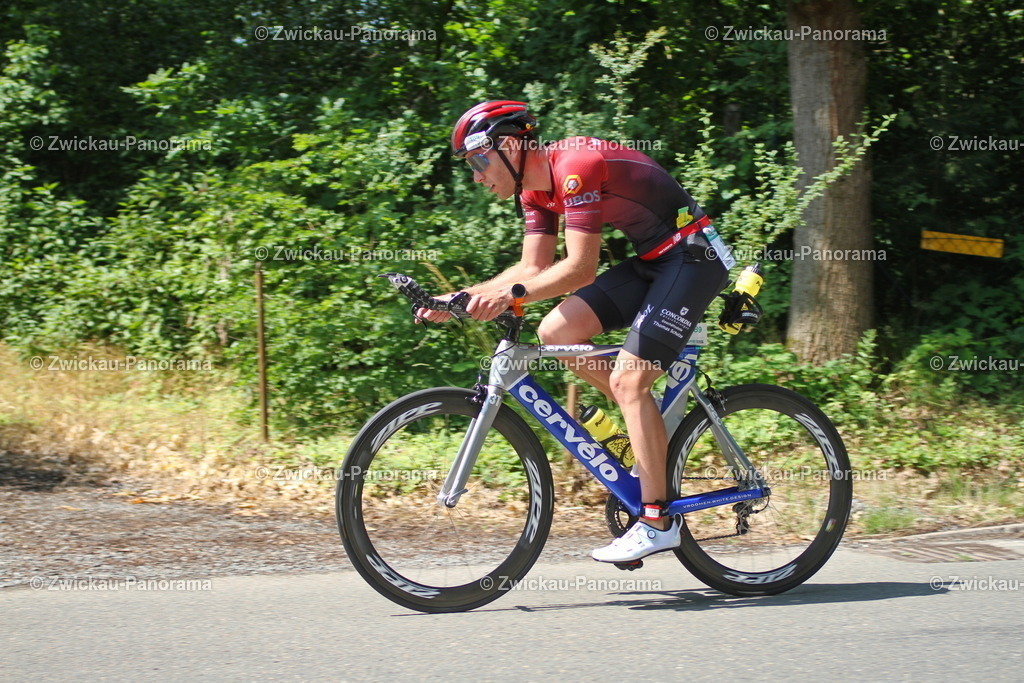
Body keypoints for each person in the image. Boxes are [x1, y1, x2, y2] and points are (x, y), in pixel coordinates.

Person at [417, 100, 730, 563]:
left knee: (628, 380)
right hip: (654, 261)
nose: (478, 176)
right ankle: (642, 421)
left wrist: (508, 297)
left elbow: (580, 269)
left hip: (694, 257)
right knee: (556, 330)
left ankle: (658, 520)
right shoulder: (533, 192)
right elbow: (532, 268)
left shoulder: (576, 166)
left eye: (479, 162)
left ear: (507, 146)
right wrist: (460, 298)